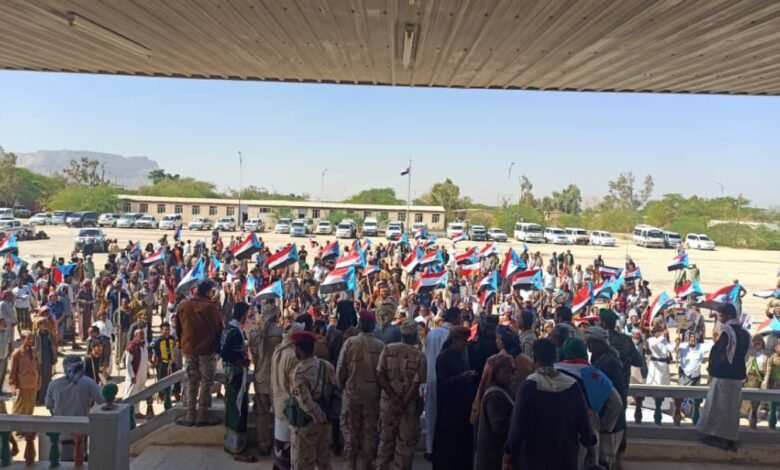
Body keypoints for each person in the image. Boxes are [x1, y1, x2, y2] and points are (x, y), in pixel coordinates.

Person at [504, 339, 597, 469]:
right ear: (555, 358)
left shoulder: (528, 387)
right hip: (566, 458)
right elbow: (584, 422)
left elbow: (517, 426)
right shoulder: (572, 385)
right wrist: (590, 448)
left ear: (534, 358)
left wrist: (509, 453)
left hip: (534, 459)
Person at [556, 337, 624, 469]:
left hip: (557, 432)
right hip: (589, 434)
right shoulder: (595, 375)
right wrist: (604, 426)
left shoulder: (553, 373)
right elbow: (617, 404)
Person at [697, 303, 750, 451]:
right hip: (737, 376)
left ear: (727, 315)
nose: (719, 318)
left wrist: (712, 369)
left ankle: (717, 437)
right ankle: (730, 438)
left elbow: (723, 355)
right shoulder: (745, 333)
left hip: (724, 376)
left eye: (720, 315)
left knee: (719, 406)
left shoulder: (728, 332)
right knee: (732, 408)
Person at [335, 310, 384, 470]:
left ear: (360, 324)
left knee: (350, 430)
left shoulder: (350, 343)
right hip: (372, 395)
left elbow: (341, 369)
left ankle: (351, 463)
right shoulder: (380, 345)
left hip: (352, 393)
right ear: (373, 325)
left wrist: (342, 386)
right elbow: (383, 373)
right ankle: (367, 463)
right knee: (370, 431)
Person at [375, 321, 426, 470]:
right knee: (405, 445)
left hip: (388, 404)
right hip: (408, 407)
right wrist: (403, 403)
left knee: (385, 442)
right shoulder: (419, 355)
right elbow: (417, 383)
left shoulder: (388, 349)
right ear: (414, 336)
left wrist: (394, 398)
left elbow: (379, 375)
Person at [175, 280, 223, 427]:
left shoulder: (183, 306)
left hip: (189, 349)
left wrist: (182, 344)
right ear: (208, 291)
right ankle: (202, 414)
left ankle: (190, 415)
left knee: (191, 381)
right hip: (207, 350)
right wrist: (218, 349)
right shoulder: (211, 307)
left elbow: (178, 328)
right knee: (206, 382)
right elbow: (219, 329)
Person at [45, 355, 105, 467]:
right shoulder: (88, 382)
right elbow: (102, 401)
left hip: (61, 433)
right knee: (80, 463)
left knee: (63, 464)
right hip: (81, 432)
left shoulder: (53, 384)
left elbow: (49, 406)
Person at [289, 330, 337, 470]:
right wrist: (325, 417)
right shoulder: (326, 365)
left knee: (302, 464)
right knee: (324, 462)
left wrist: (319, 417)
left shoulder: (300, 371)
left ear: (299, 349)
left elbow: (305, 401)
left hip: (307, 424)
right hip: (325, 423)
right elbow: (334, 390)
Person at [432, 326, 476, 470]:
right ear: (454, 340)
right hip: (449, 411)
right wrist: (461, 377)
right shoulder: (443, 357)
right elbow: (442, 383)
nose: (465, 344)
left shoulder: (461, 356)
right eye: (463, 340)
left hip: (462, 410)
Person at [219, 302, 257, 462]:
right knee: (239, 408)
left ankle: (230, 444)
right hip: (236, 375)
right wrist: (240, 361)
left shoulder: (229, 327)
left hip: (231, 374)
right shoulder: (234, 331)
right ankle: (238, 449)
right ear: (243, 315)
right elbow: (225, 352)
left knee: (233, 407)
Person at [422, 306, 459, 458]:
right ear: (455, 318)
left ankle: (430, 448)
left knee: (431, 414)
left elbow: (425, 356)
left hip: (431, 378)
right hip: (447, 379)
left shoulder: (431, 334)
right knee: (446, 414)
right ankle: (444, 448)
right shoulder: (453, 335)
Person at [247, 302, 283, 456]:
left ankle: (263, 445)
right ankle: (279, 445)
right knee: (280, 414)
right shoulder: (282, 333)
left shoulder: (254, 334)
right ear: (276, 316)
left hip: (260, 377)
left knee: (261, 414)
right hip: (277, 380)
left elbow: (254, 358)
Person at [270, 319, 306, 470]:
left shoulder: (278, 350)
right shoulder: (293, 356)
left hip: (277, 402)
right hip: (288, 407)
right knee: (289, 446)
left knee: (279, 442)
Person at [473, 353, 515, 470]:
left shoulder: (503, 390)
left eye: (513, 371)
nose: (511, 375)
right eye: (506, 371)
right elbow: (499, 427)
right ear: (495, 372)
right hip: (493, 458)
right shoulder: (495, 396)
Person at [9, 331, 40, 461]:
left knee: (30, 407)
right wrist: (13, 387)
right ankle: (17, 430)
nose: (30, 340)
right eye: (28, 338)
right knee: (19, 408)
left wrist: (39, 381)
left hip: (33, 384)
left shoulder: (34, 351)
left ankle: (26, 429)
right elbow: (12, 373)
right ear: (22, 339)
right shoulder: (17, 354)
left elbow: (37, 368)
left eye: (31, 338)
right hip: (22, 385)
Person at [674, 332, 712, 425]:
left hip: (696, 377)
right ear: (688, 339)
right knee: (680, 397)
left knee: (694, 398)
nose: (692, 339)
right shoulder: (682, 346)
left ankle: (692, 414)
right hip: (684, 376)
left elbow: (712, 345)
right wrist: (676, 344)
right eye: (690, 338)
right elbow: (674, 350)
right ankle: (679, 414)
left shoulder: (701, 347)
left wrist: (716, 337)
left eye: (694, 338)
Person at [495, 325, 535, 394]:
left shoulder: (498, 360)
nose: (496, 341)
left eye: (497, 338)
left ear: (503, 341)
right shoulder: (528, 361)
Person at [123, 329, 153, 418]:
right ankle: (125, 412)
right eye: (140, 334)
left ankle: (136, 412)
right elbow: (128, 363)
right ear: (135, 335)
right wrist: (132, 376)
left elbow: (144, 359)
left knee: (139, 393)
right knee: (130, 393)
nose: (143, 336)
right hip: (134, 374)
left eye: (143, 334)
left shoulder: (144, 345)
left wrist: (147, 371)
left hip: (142, 374)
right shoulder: (132, 346)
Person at [150, 322, 179, 404]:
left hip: (171, 362)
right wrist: (151, 361)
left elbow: (174, 346)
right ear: (161, 330)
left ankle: (176, 393)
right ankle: (161, 395)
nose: (167, 331)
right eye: (165, 330)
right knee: (161, 379)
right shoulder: (156, 340)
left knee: (176, 377)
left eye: (168, 330)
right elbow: (149, 348)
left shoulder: (172, 338)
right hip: (161, 362)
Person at [743, 336, 768, 428]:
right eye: (755, 342)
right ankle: (751, 417)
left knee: (757, 401)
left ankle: (753, 417)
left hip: (760, 378)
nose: (757, 344)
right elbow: (746, 365)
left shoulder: (766, 354)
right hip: (751, 377)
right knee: (750, 400)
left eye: (759, 342)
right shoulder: (750, 353)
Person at [33, 316, 57, 405]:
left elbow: (53, 346)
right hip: (38, 360)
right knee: (38, 379)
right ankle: (38, 398)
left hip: (48, 359)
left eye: (44, 324)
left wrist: (54, 357)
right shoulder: (35, 335)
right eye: (41, 324)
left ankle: (45, 398)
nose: (43, 326)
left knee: (47, 379)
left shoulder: (49, 334)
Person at [760, 340, 780, 430]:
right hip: (773, 384)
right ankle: (772, 423)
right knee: (772, 406)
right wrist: (766, 383)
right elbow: (768, 372)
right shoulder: (772, 358)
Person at [0, 318, 11, 395]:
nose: (4, 324)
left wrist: (10, 353)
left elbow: (9, 343)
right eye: (2, 323)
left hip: (4, 356)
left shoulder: (7, 332)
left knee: (2, 374)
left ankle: (0, 389)